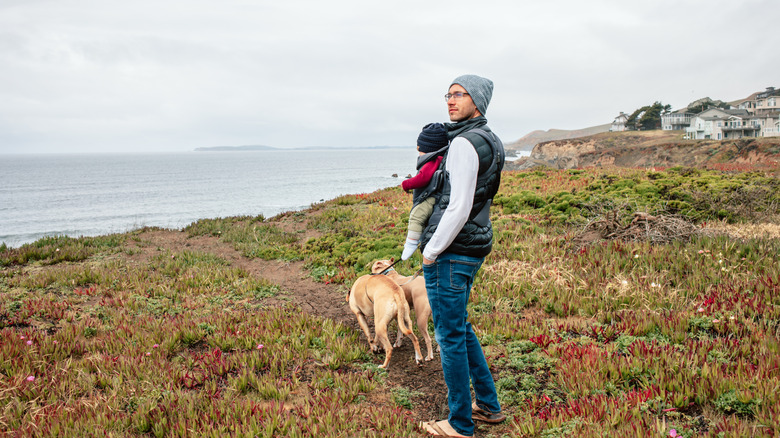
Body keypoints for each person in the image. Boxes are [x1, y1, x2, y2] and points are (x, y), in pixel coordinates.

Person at [419, 74, 506, 438]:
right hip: (473, 247)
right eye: (448, 94)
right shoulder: (491, 139)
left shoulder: (464, 144)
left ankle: (459, 424)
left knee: (449, 336)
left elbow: (458, 207)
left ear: (478, 101)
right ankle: (487, 405)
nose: (450, 100)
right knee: (460, 327)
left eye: (459, 94)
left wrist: (431, 251)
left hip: (452, 253)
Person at [401, 123, 449, 261]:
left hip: (432, 197)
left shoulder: (432, 161)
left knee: (417, 216)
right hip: (437, 195)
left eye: (420, 148)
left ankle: (411, 243)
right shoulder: (442, 159)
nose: (418, 151)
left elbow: (423, 178)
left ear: (429, 148)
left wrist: (406, 184)